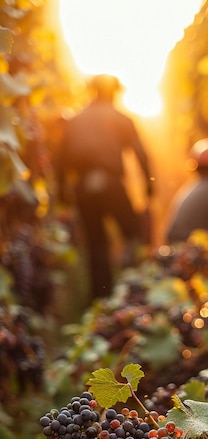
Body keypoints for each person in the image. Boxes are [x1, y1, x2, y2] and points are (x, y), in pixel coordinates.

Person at [55, 74, 154, 301]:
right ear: (114, 92)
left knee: (96, 244)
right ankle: (132, 290)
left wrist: (63, 192)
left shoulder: (75, 121)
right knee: (132, 234)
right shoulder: (120, 118)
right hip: (111, 185)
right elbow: (140, 153)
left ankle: (100, 298)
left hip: (83, 188)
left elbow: (59, 161)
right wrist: (149, 185)